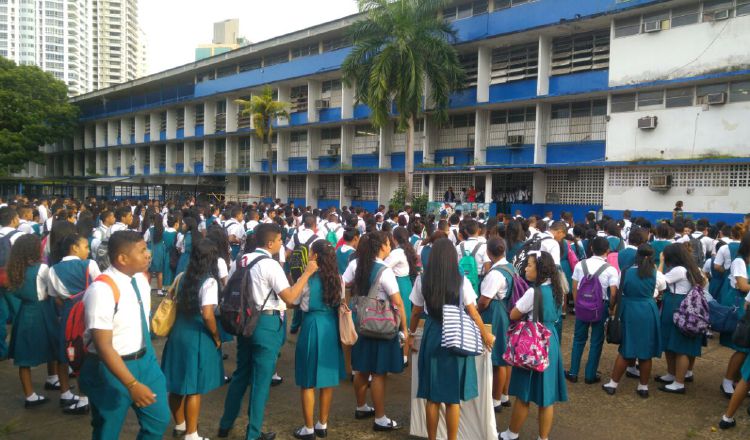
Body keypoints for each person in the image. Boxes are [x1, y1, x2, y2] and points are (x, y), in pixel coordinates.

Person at [219, 223, 318, 440]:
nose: (283, 243)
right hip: (266, 323)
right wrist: (307, 274)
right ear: (270, 242)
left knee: (241, 374)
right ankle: (253, 433)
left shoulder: (241, 260)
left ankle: (225, 424)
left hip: (245, 321)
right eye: (281, 240)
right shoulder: (270, 265)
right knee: (261, 382)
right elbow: (290, 298)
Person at [79, 231, 171, 439]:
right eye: (141, 251)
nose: (148, 254)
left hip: (144, 360)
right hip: (111, 368)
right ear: (122, 259)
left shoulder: (139, 280)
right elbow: (103, 346)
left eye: (146, 248)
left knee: (159, 419)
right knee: (107, 430)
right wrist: (131, 384)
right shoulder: (102, 290)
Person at [408, 238, 494, 440]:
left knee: (432, 396)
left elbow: (415, 312)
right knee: (452, 398)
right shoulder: (461, 280)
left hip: (432, 334)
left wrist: (410, 335)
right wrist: (485, 334)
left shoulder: (422, 279)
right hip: (455, 336)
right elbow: (473, 312)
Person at [344, 231, 409, 432]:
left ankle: (361, 406)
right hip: (381, 325)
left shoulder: (355, 264)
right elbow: (397, 302)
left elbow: (343, 283)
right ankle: (380, 418)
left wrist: (347, 304)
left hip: (360, 323)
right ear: (381, 246)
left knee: (361, 369)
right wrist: (404, 329)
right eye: (388, 244)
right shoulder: (384, 270)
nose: (389, 247)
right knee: (379, 373)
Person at [500, 251, 568, 440]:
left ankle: (511, 434)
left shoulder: (533, 292)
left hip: (532, 342)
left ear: (539, 269)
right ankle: (543, 437)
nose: (526, 268)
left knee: (524, 394)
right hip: (550, 340)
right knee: (546, 398)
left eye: (530, 265)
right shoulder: (558, 288)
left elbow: (514, 314)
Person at [161, 239, 224, 440]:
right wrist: (216, 336)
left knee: (177, 385)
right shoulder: (209, 281)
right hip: (197, 335)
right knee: (194, 388)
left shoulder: (181, 276)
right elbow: (207, 314)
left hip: (177, 333)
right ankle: (192, 434)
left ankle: (180, 425)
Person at [293, 240, 347, 440]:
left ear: (314, 256)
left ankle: (308, 428)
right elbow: (340, 303)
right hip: (330, 327)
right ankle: (322, 424)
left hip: (311, 324)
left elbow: (294, 300)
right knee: (327, 380)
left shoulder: (307, 278)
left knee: (307, 380)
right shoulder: (338, 279)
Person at [602, 244, 665, 398]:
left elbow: (617, 292)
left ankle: (613, 384)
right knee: (646, 351)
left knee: (626, 347)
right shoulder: (656, 273)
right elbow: (661, 290)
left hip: (628, 309)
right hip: (648, 310)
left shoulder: (625, 272)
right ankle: (643, 387)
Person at [48, 233, 101, 414]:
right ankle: (84, 395)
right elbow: (100, 286)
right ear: (75, 248)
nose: (88, 250)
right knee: (85, 352)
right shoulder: (89, 265)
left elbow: (56, 298)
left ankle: (65, 393)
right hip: (88, 314)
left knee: (66, 353)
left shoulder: (53, 270)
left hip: (68, 316)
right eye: (85, 247)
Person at [6, 234, 59, 408]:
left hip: (25, 311)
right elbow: (52, 290)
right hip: (43, 310)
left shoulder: (14, 268)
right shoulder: (42, 268)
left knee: (24, 353)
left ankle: (30, 394)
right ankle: (52, 378)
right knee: (52, 343)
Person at [566, 237, 619, 385]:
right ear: (607, 251)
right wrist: (611, 307)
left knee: (578, 339)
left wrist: (577, 305)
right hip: (600, 307)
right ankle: (590, 375)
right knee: (596, 341)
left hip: (582, 306)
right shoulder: (610, 269)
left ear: (590, 248)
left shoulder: (580, 265)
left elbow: (575, 287)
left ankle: (573, 372)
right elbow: (614, 292)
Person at [656, 243, 706, 394]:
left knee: (679, 346)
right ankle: (675, 374)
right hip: (688, 305)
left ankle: (678, 382)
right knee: (678, 343)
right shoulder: (694, 268)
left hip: (675, 304)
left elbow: (659, 282)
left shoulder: (678, 270)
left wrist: (661, 262)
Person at [478, 237, 514, 411]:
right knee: (505, 355)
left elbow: (485, 300)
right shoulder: (510, 267)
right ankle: (505, 395)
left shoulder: (495, 273)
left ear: (488, 252)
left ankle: (495, 400)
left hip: (495, 312)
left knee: (498, 357)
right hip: (506, 311)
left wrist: (475, 312)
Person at [718, 231, 750, 398]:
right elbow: (743, 286)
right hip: (740, 305)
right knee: (742, 347)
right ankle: (728, 380)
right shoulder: (739, 261)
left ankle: (739, 381)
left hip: (745, 304)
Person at [385, 228, 418, 329]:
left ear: (394, 239)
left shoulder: (397, 252)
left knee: (398, 313)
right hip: (406, 283)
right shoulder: (409, 249)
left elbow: (384, 266)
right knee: (405, 312)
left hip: (398, 283)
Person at [146, 214, 167, 296]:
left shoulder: (149, 230)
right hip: (160, 251)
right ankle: (160, 291)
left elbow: (145, 239)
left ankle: (148, 289)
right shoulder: (164, 230)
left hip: (151, 251)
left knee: (149, 272)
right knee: (160, 272)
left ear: (153, 221)